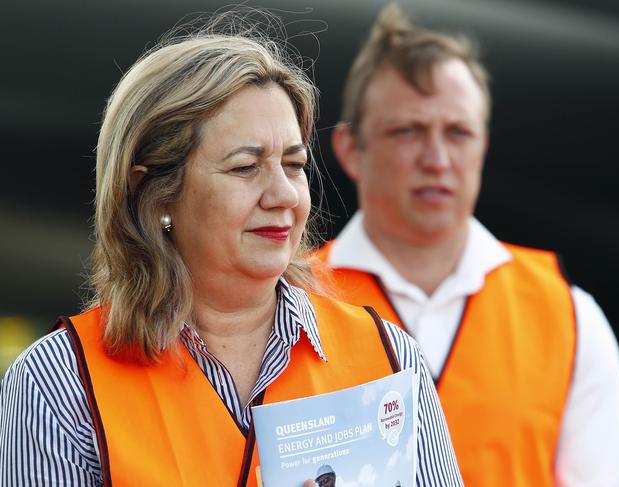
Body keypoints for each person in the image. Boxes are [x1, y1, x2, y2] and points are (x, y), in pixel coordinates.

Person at [0, 12, 464, 487]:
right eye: (245, 168)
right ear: (153, 194)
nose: (282, 194)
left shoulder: (389, 359)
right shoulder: (59, 383)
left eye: (293, 163)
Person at [312, 4, 619, 486]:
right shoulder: (288, 302)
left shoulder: (568, 316)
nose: (437, 158)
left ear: (482, 147)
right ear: (350, 149)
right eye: (407, 130)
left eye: (458, 132)